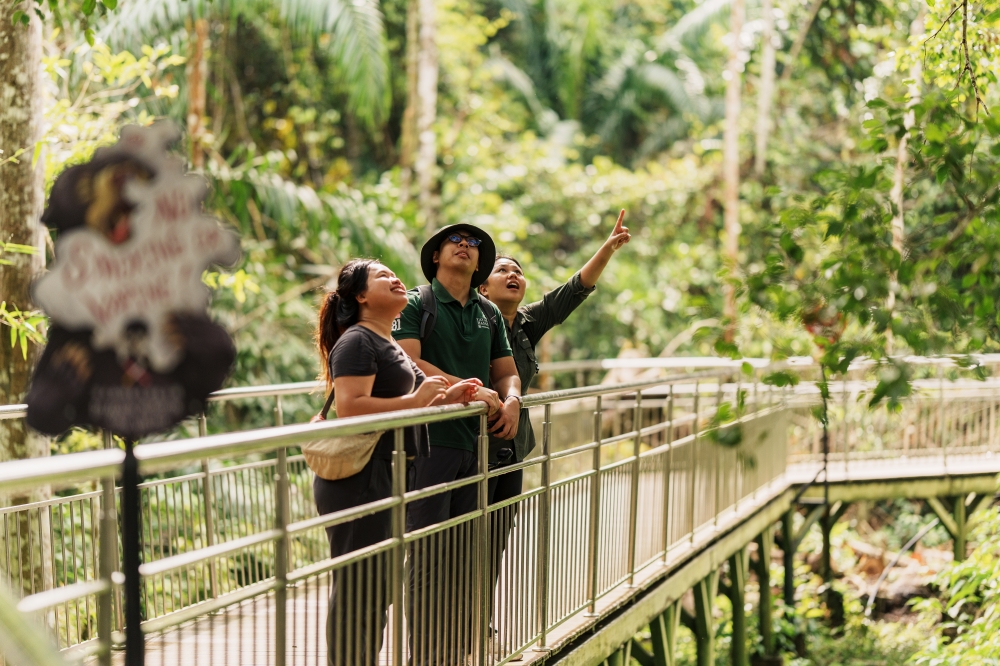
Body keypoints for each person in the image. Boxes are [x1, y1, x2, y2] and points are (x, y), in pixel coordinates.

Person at [478, 209, 631, 659]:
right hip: (470, 449)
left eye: (518, 271)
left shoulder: (525, 324)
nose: (513, 274)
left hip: (512, 450)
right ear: (481, 287)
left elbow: (573, 291)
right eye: (502, 269)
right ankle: (446, 620)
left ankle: (479, 618)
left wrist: (607, 247)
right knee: (462, 534)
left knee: (497, 536)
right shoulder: (469, 321)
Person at [312, 258, 480, 666]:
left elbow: (423, 396)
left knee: (378, 584)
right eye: (383, 276)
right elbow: (350, 409)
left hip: (391, 471)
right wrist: (414, 402)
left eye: (395, 273)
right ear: (361, 296)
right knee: (357, 585)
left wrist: (453, 395)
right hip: (360, 475)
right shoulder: (357, 341)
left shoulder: (387, 342)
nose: (396, 278)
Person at [393, 224, 522, 665]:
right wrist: (472, 390)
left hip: (474, 444)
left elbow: (505, 370)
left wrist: (512, 399)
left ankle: (452, 650)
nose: (467, 247)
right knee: (428, 554)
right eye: (457, 241)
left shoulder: (487, 311)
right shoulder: (416, 303)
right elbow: (408, 361)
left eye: (474, 244)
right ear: (435, 256)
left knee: (465, 552)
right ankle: (424, 656)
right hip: (428, 443)